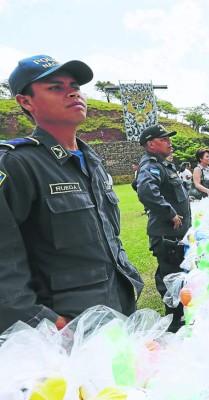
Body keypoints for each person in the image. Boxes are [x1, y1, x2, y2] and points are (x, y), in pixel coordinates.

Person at [0, 54, 143, 332]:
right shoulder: (17, 163)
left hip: (118, 307)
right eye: (55, 87)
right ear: (25, 101)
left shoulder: (91, 161)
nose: (72, 92)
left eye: (75, 85)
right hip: (68, 326)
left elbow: (108, 237)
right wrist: (43, 322)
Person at [136, 125, 191, 332]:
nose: (169, 142)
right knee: (172, 279)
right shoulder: (151, 165)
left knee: (176, 276)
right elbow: (144, 189)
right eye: (164, 138)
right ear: (150, 144)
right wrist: (170, 212)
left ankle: (179, 318)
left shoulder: (162, 165)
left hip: (174, 235)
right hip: (167, 236)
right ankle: (175, 324)